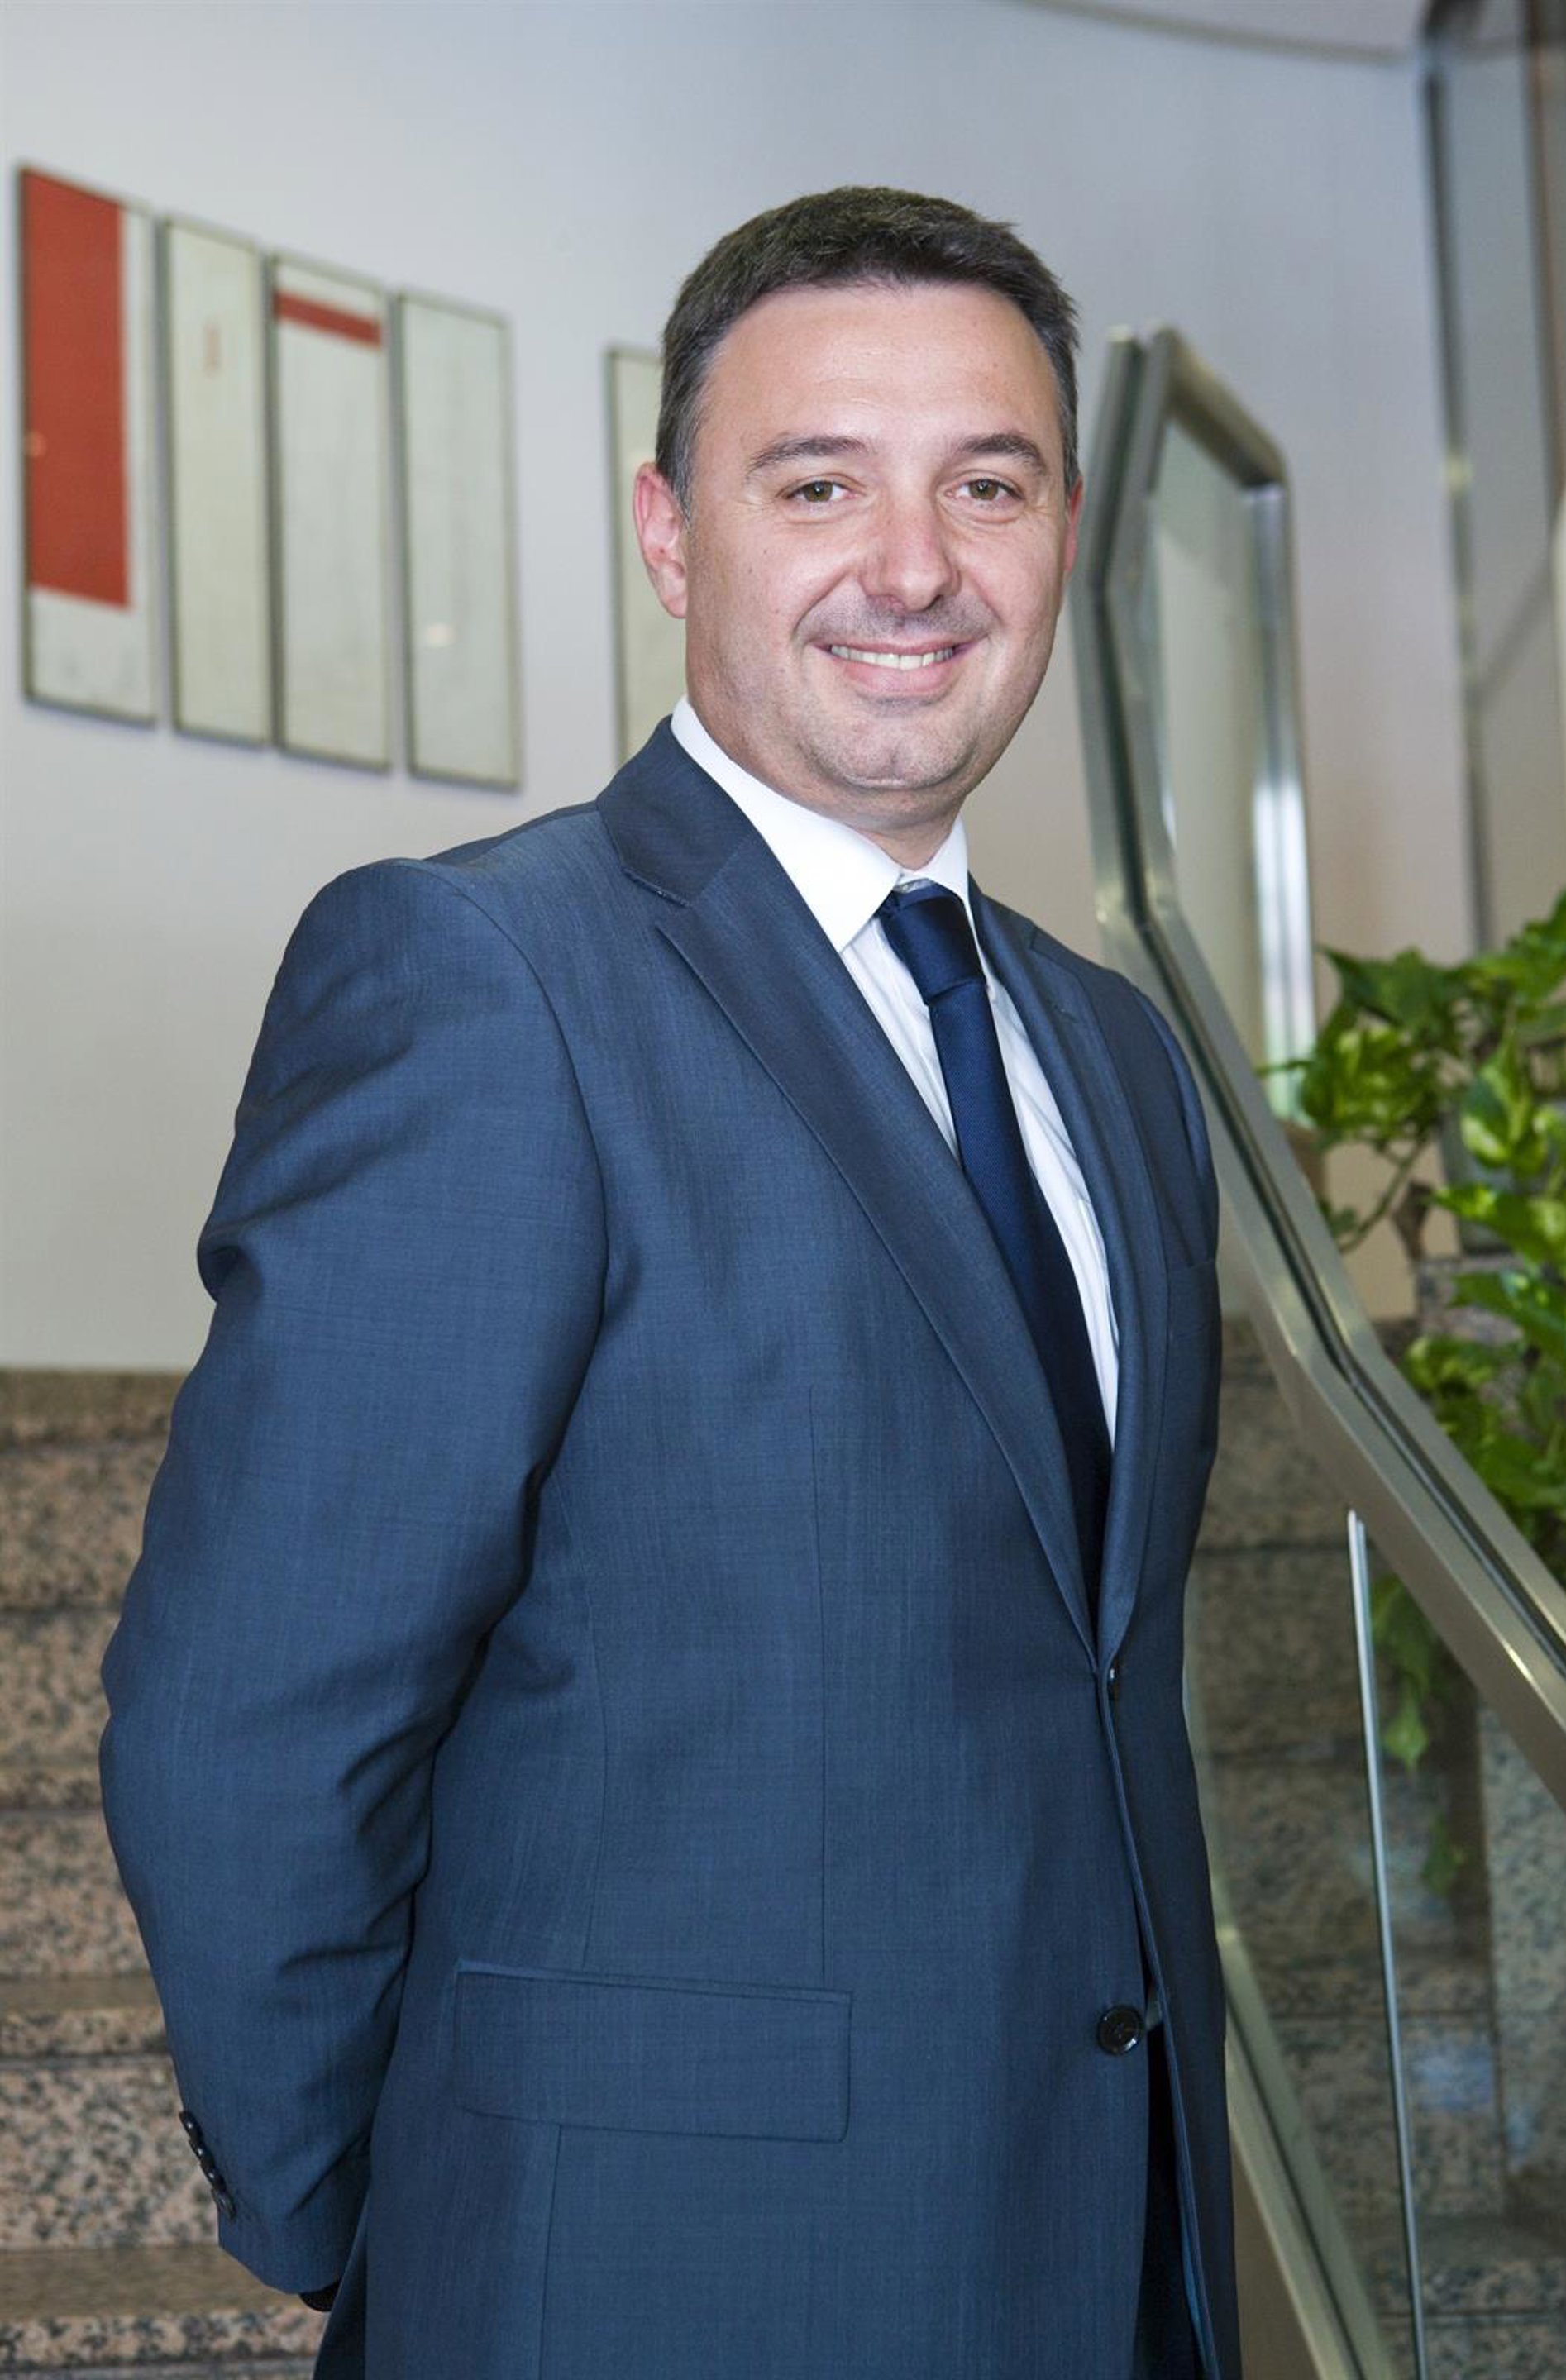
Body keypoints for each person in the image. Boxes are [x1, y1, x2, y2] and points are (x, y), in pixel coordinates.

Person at [101, 185, 1234, 2379]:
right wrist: (394, 2207)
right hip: (643, 2280)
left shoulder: (1115, 1056)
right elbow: (254, 1716)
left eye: (987, 485)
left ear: (1066, 538)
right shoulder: (483, 978)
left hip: (1110, 2273)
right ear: (667, 534)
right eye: (817, 485)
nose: (913, 566)